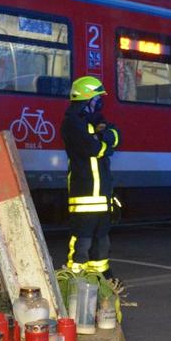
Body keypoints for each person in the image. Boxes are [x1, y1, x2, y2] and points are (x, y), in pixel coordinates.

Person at [62, 76, 121, 278]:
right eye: (97, 98)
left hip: (102, 197)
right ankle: (74, 281)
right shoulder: (71, 123)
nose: (99, 103)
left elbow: (116, 135)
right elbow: (93, 149)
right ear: (88, 99)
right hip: (84, 196)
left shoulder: (96, 119)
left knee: (102, 243)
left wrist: (104, 137)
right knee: (82, 242)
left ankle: (101, 280)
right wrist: (104, 143)